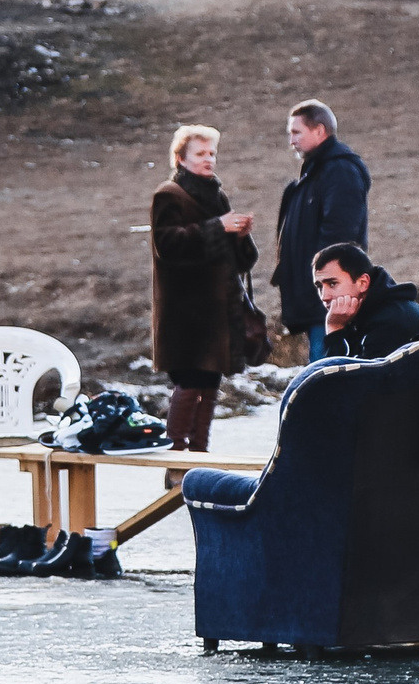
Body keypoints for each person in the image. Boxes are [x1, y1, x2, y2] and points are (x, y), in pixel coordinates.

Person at [150, 124, 258, 460]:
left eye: (212, 153)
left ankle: (198, 456)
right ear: (181, 158)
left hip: (216, 312)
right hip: (185, 314)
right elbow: (167, 245)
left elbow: (241, 261)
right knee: (189, 381)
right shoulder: (168, 194)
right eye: (201, 153)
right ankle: (176, 462)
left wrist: (240, 236)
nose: (209, 159)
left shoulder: (217, 196)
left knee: (210, 383)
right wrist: (218, 227)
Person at [273, 100, 371, 360]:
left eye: (296, 132)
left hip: (330, 301)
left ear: (319, 131)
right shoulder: (312, 177)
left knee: (327, 374)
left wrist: (327, 286)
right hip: (317, 298)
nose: (291, 141)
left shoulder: (339, 171)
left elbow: (342, 237)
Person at [314, 243, 419, 361]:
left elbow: (344, 382)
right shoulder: (369, 315)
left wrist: (335, 330)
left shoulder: (389, 321)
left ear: (363, 283)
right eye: (319, 286)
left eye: (332, 284)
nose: (324, 297)